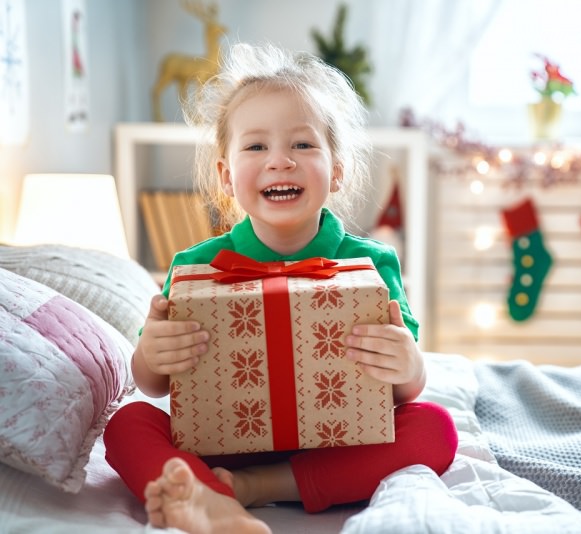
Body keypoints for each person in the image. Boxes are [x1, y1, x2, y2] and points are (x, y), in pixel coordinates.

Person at [103, 42, 458, 534]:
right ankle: (211, 502)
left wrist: (408, 364)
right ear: (227, 177)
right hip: (220, 437)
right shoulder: (195, 266)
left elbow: (403, 391)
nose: (280, 161)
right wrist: (152, 354)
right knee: (127, 425)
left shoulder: (371, 264)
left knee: (434, 427)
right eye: (256, 146)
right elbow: (154, 384)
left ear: (338, 169)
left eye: (302, 144)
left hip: (337, 443)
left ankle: (249, 491)